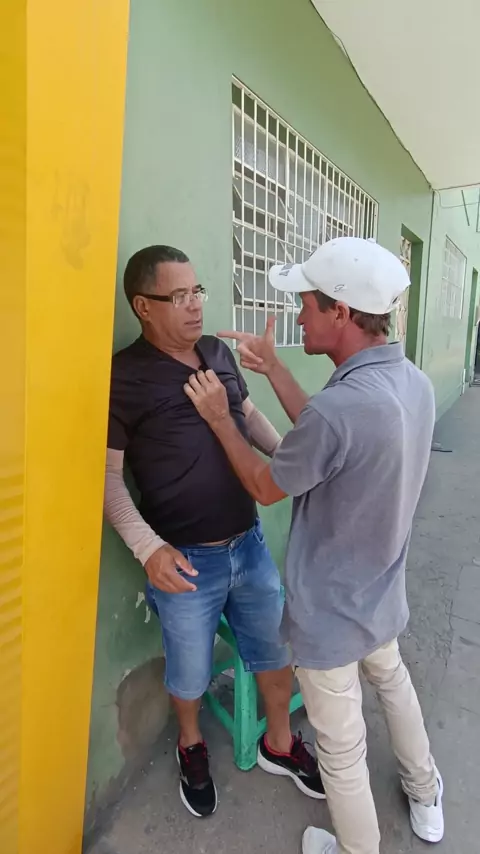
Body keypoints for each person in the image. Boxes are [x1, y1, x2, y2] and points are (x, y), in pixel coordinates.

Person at [183, 237, 444, 853]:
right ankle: (425, 792)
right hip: (380, 591)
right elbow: (327, 441)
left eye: (305, 305)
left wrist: (220, 418)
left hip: (329, 611)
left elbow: (264, 484)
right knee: (394, 684)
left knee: (341, 749)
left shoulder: (339, 410)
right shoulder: (411, 383)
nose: (298, 317)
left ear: (342, 313)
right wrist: (274, 370)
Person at [103, 245, 324, 818]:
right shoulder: (124, 376)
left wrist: (290, 460)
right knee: (189, 673)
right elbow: (107, 480)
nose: (195, 305)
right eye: (178, 296)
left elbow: (249, 418)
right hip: (185, 562)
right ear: (143, 306)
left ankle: (280, 743)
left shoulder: (217, 352)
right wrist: (147, 548)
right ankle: (191, 743)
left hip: (248, 544)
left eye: (196, 291)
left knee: (273, 650)